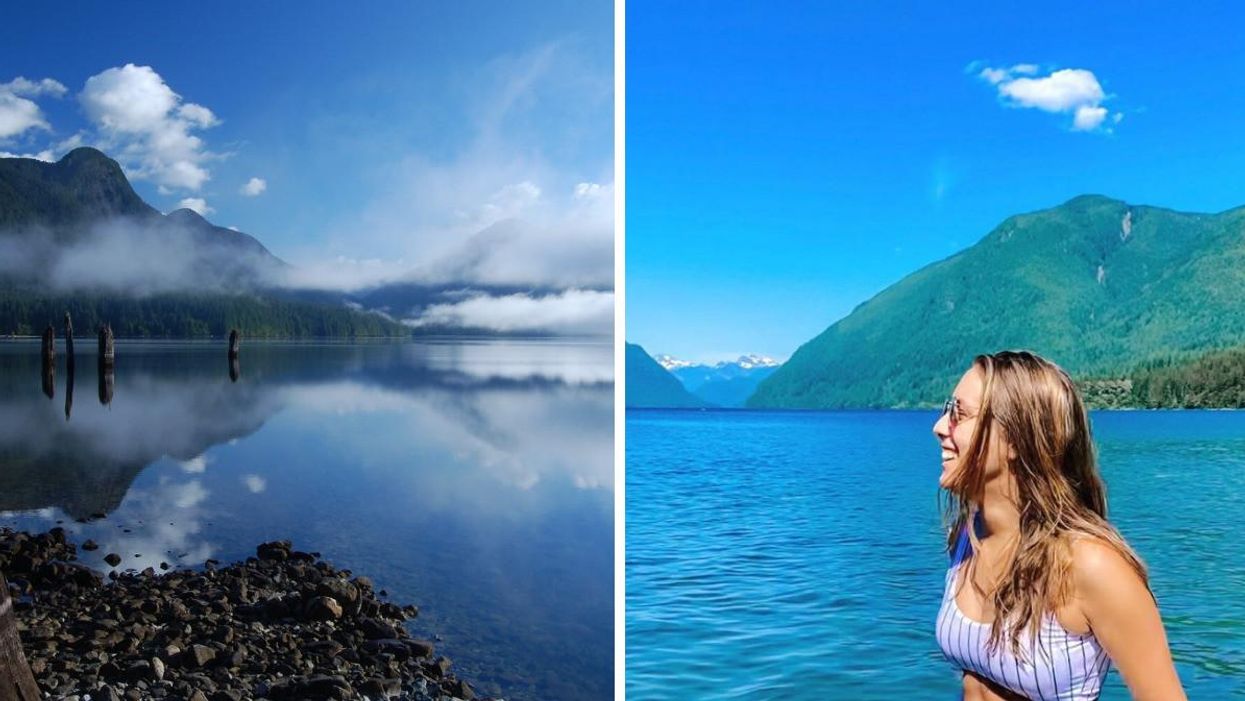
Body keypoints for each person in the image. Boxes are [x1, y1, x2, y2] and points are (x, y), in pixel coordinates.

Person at [932, 351, 1185, 701]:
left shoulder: (1093, 567)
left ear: (1016, 440)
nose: (940, 426)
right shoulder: (965, 538)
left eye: (959, 414)